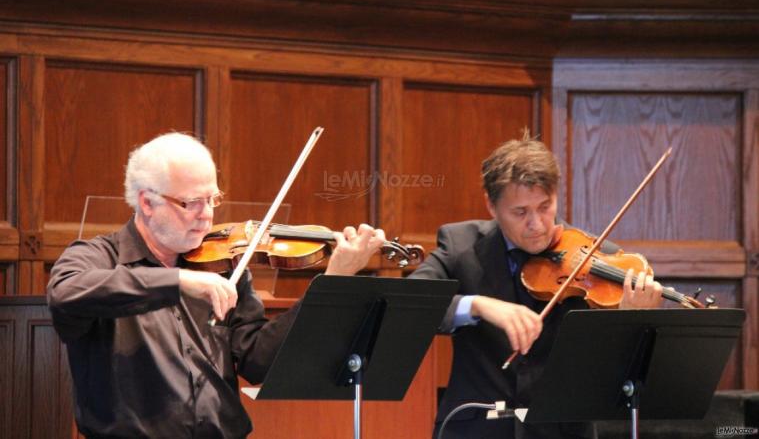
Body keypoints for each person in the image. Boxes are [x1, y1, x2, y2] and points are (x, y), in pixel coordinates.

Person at [47, 132, 386, 439]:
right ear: (147, 202)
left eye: (213, 199)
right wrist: (177, 281)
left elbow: (259, 362)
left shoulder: (223, 266)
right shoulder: (98, 257)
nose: (207, 215)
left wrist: (332, 280)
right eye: (192, 203)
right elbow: (66, 293)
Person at [410, 133, 663, 439]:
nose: (538, 224)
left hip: (563, 432)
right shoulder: (460, 245)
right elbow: (412, 305)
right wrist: (477, 305)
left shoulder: (598, 259)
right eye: (520, 212)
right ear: (491, 205)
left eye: (545, 206)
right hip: (475, 430)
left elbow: (612, 373)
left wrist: (631, 322)